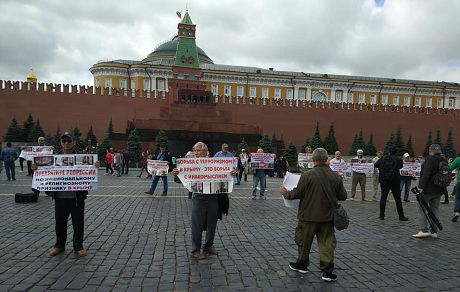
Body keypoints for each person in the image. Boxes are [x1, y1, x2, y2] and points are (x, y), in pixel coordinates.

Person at [279, 148, 347, 282]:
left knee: (304, 242)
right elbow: (343, 196)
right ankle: (327, 272)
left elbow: (297, 194)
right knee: (327, 243)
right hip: (327, 218)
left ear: (313, 159)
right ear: (327, 159)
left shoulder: (307, 175)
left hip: (308, 217)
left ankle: (302, 265)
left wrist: (284, 192)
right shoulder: (336, 176)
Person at [172, 142, 236, 260]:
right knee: (197, 224)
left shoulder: (215, 162)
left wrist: (232, 173)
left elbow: (226, 174)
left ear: (206, 152)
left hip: (213, 197)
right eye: (195, 150)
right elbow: (180, 179)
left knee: (212, 223)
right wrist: (176, 174)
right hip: (198, 197)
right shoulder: (190, 164)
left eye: (198, 150)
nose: (196, 153)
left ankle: (208, 245)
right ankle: (195, 250)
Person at [43, 131, 99, 257]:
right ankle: (59, 245)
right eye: (64, 141)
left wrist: (95, 165)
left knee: (78, 222)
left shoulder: (81, 157)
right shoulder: (54, 158)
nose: (66, 143)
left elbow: (90, 170)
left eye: (69, 140)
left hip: (77, 196)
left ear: (73, 142)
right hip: (60, 196)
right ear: (61, 143)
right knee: (60, 222)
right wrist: (36, 168)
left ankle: (78, 246)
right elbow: (44, 170)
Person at [413, 144, 445, 238]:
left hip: (428, 189)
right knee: (435, 209)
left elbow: (426, 174)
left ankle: (424, 230)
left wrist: (420, 187)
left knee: (421, 208)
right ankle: (434, 231)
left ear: (431, 150)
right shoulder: (444, 160)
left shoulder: (430, 159)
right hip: (439, 189)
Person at [374, 147, 409, 221]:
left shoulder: (383, 158)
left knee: (383, 198)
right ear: (396, 152)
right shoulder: (398, 159)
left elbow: (376, 165)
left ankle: (381, 216)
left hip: (384, 181)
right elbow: (401, 166)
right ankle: (401, 216)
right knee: (398, 199)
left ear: (389, 152)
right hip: (394, 181)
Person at [448, 156, 460, 222]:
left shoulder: (458, 159)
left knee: (458, 198)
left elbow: (450, 168)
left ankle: (457, 212)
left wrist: (449, 163)